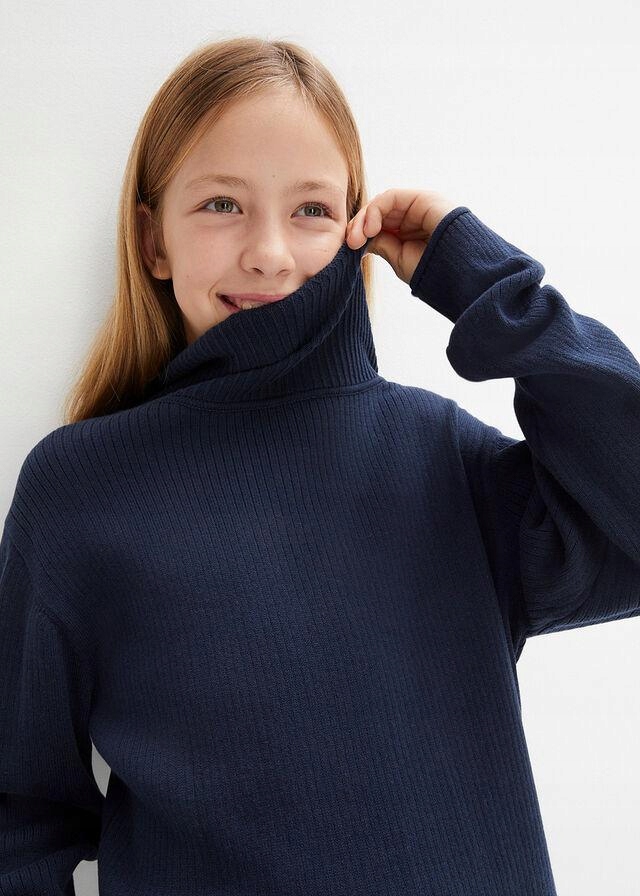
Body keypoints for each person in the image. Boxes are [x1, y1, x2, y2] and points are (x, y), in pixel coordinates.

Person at [1, 35, 638, 896]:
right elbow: (19, 817)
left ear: (354, 230)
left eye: (310, 210)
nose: (269, 251)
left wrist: (483, 284)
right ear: (152, 240)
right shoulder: (80, 492)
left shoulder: (443, 461)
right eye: (222, 204)